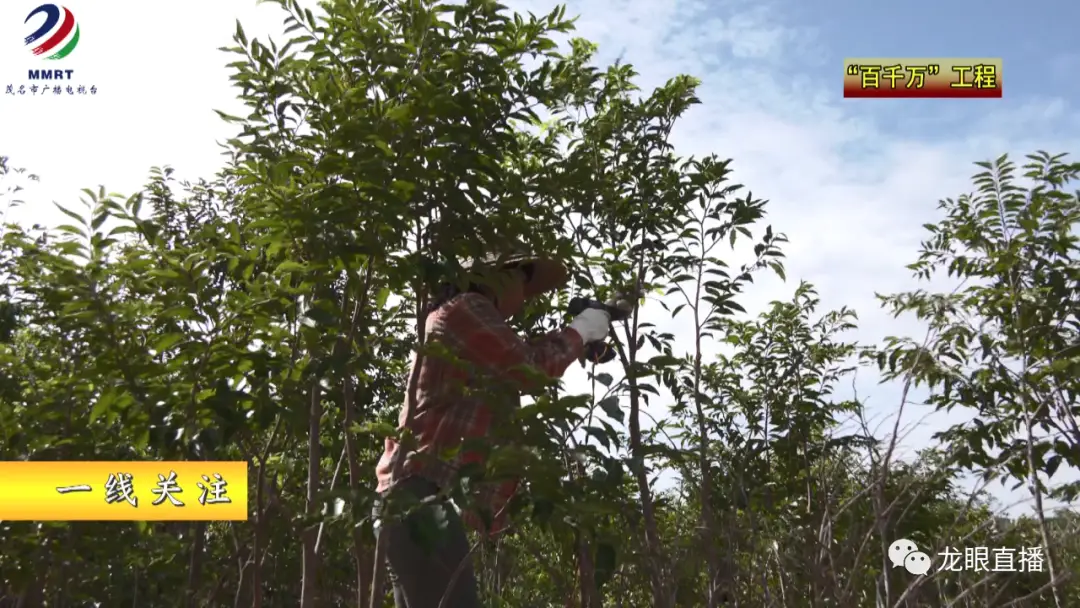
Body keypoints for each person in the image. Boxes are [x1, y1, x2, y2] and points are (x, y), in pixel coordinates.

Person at [372, 247, 612, 608]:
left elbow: (519, 356)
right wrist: (582, 329)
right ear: (496, 276)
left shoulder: (459, 318)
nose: (526, 291)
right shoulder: (467, 309)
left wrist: (576, 342)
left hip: (410, 502)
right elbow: (529, 368)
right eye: (524, 278)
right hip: (421, 501)